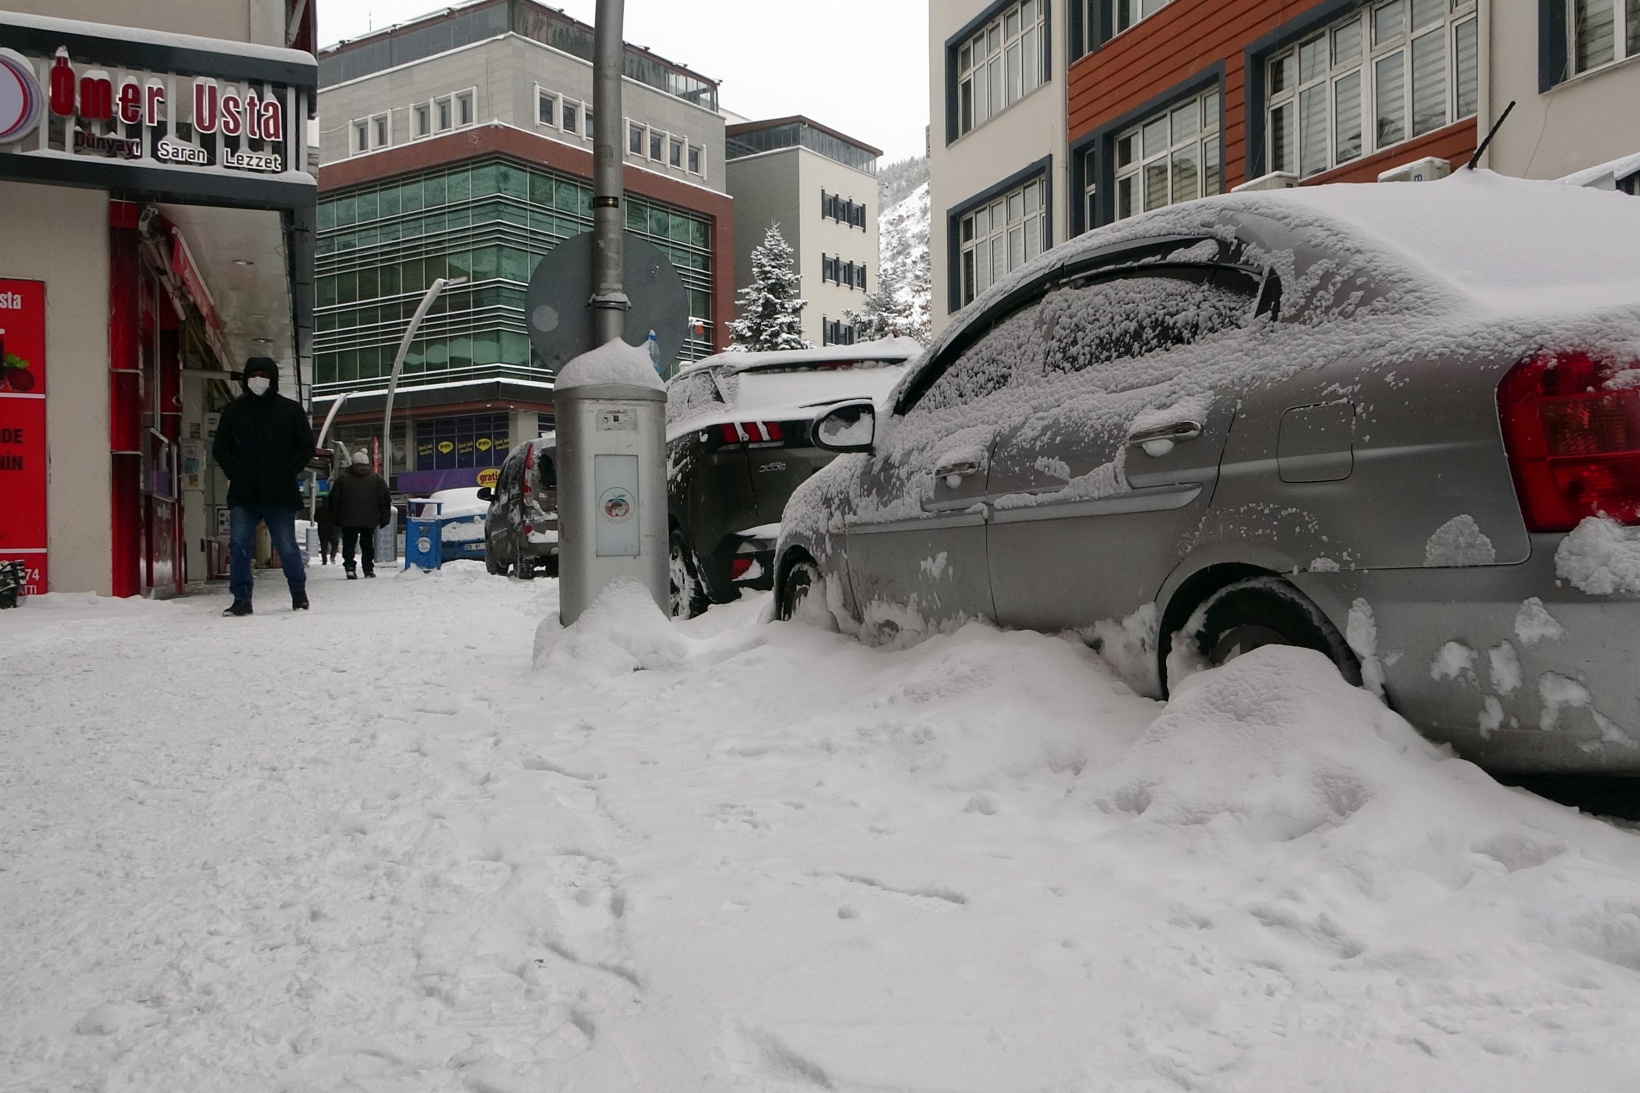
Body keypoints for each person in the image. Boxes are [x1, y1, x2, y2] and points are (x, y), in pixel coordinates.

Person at [212, 357, 315, 615]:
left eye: (263, 374)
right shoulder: (234, 411)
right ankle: (242, 599)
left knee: (287, 547)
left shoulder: (290, 411)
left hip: (279, 492)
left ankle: (298, 593)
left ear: (273, 378)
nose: (258, 379)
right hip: (244, 492)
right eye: (253, 374)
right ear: (246, 378)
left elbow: (305, 446)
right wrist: (234, 469)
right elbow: (220, 448)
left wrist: (287, 469)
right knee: (239, 546)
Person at [327, 450, 391, 579]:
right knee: (367, 544)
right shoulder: (376, 479)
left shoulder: (343, 478)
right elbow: (385, 499)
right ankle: (368, 569)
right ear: (368, 463)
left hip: (348, 519)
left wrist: (334, 518)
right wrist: (384, 518)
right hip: (369, 518)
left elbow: (334, 500)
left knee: (349, 543)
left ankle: (350, 568)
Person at [315, 490, 340, 565]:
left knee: (323, 545)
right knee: (335, 544)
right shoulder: (334, 509)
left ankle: (324, 560)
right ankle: (332, 556)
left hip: (322, 530)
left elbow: (315, 518)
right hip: (333, 529)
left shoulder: (319, 509)